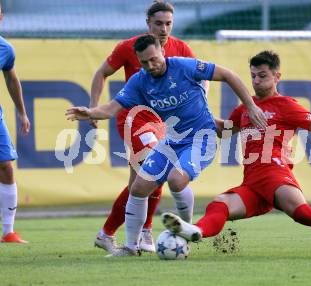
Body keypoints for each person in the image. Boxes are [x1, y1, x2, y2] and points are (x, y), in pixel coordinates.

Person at [161, 50, 311, 257]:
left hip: (274, 173)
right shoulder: (246, 108)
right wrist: (196, 111)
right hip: (252, 182)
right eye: (253, 76)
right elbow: (223, 131)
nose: (256, 81)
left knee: (303, 214)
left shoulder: (286, 105)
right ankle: (196, 230)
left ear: (277, 76)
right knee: (219, 204)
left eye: (263, 75)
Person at [66, 34, 267, 257]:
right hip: (171, 141)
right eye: (145, 62)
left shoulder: (184, 66)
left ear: (162, 51)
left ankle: (186, 232)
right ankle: (132, 247)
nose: (151, 65)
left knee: (175, 179)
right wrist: (91, 112)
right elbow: (112, 108)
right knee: (139, 187)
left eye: (154, 59)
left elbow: (228, 75)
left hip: (202, 138)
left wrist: (250, 106)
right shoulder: (139, 81)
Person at [90, 1, 199, 253]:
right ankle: (136, 233)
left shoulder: (181, 48)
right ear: (147, 23)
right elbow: (101, 73)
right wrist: (94, 107)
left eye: (168, 24)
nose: (164, 29)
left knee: (141, 183)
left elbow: (198, 79)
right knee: (155, 170)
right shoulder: (130, 47)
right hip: (132, 119)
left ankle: (117, 234)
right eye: (158, 23)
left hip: (160, 122)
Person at [0, 4, 31, 243]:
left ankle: (8, 231)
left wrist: (22, 112)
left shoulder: (5, 49)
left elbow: (11, 79)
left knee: (6, 166)